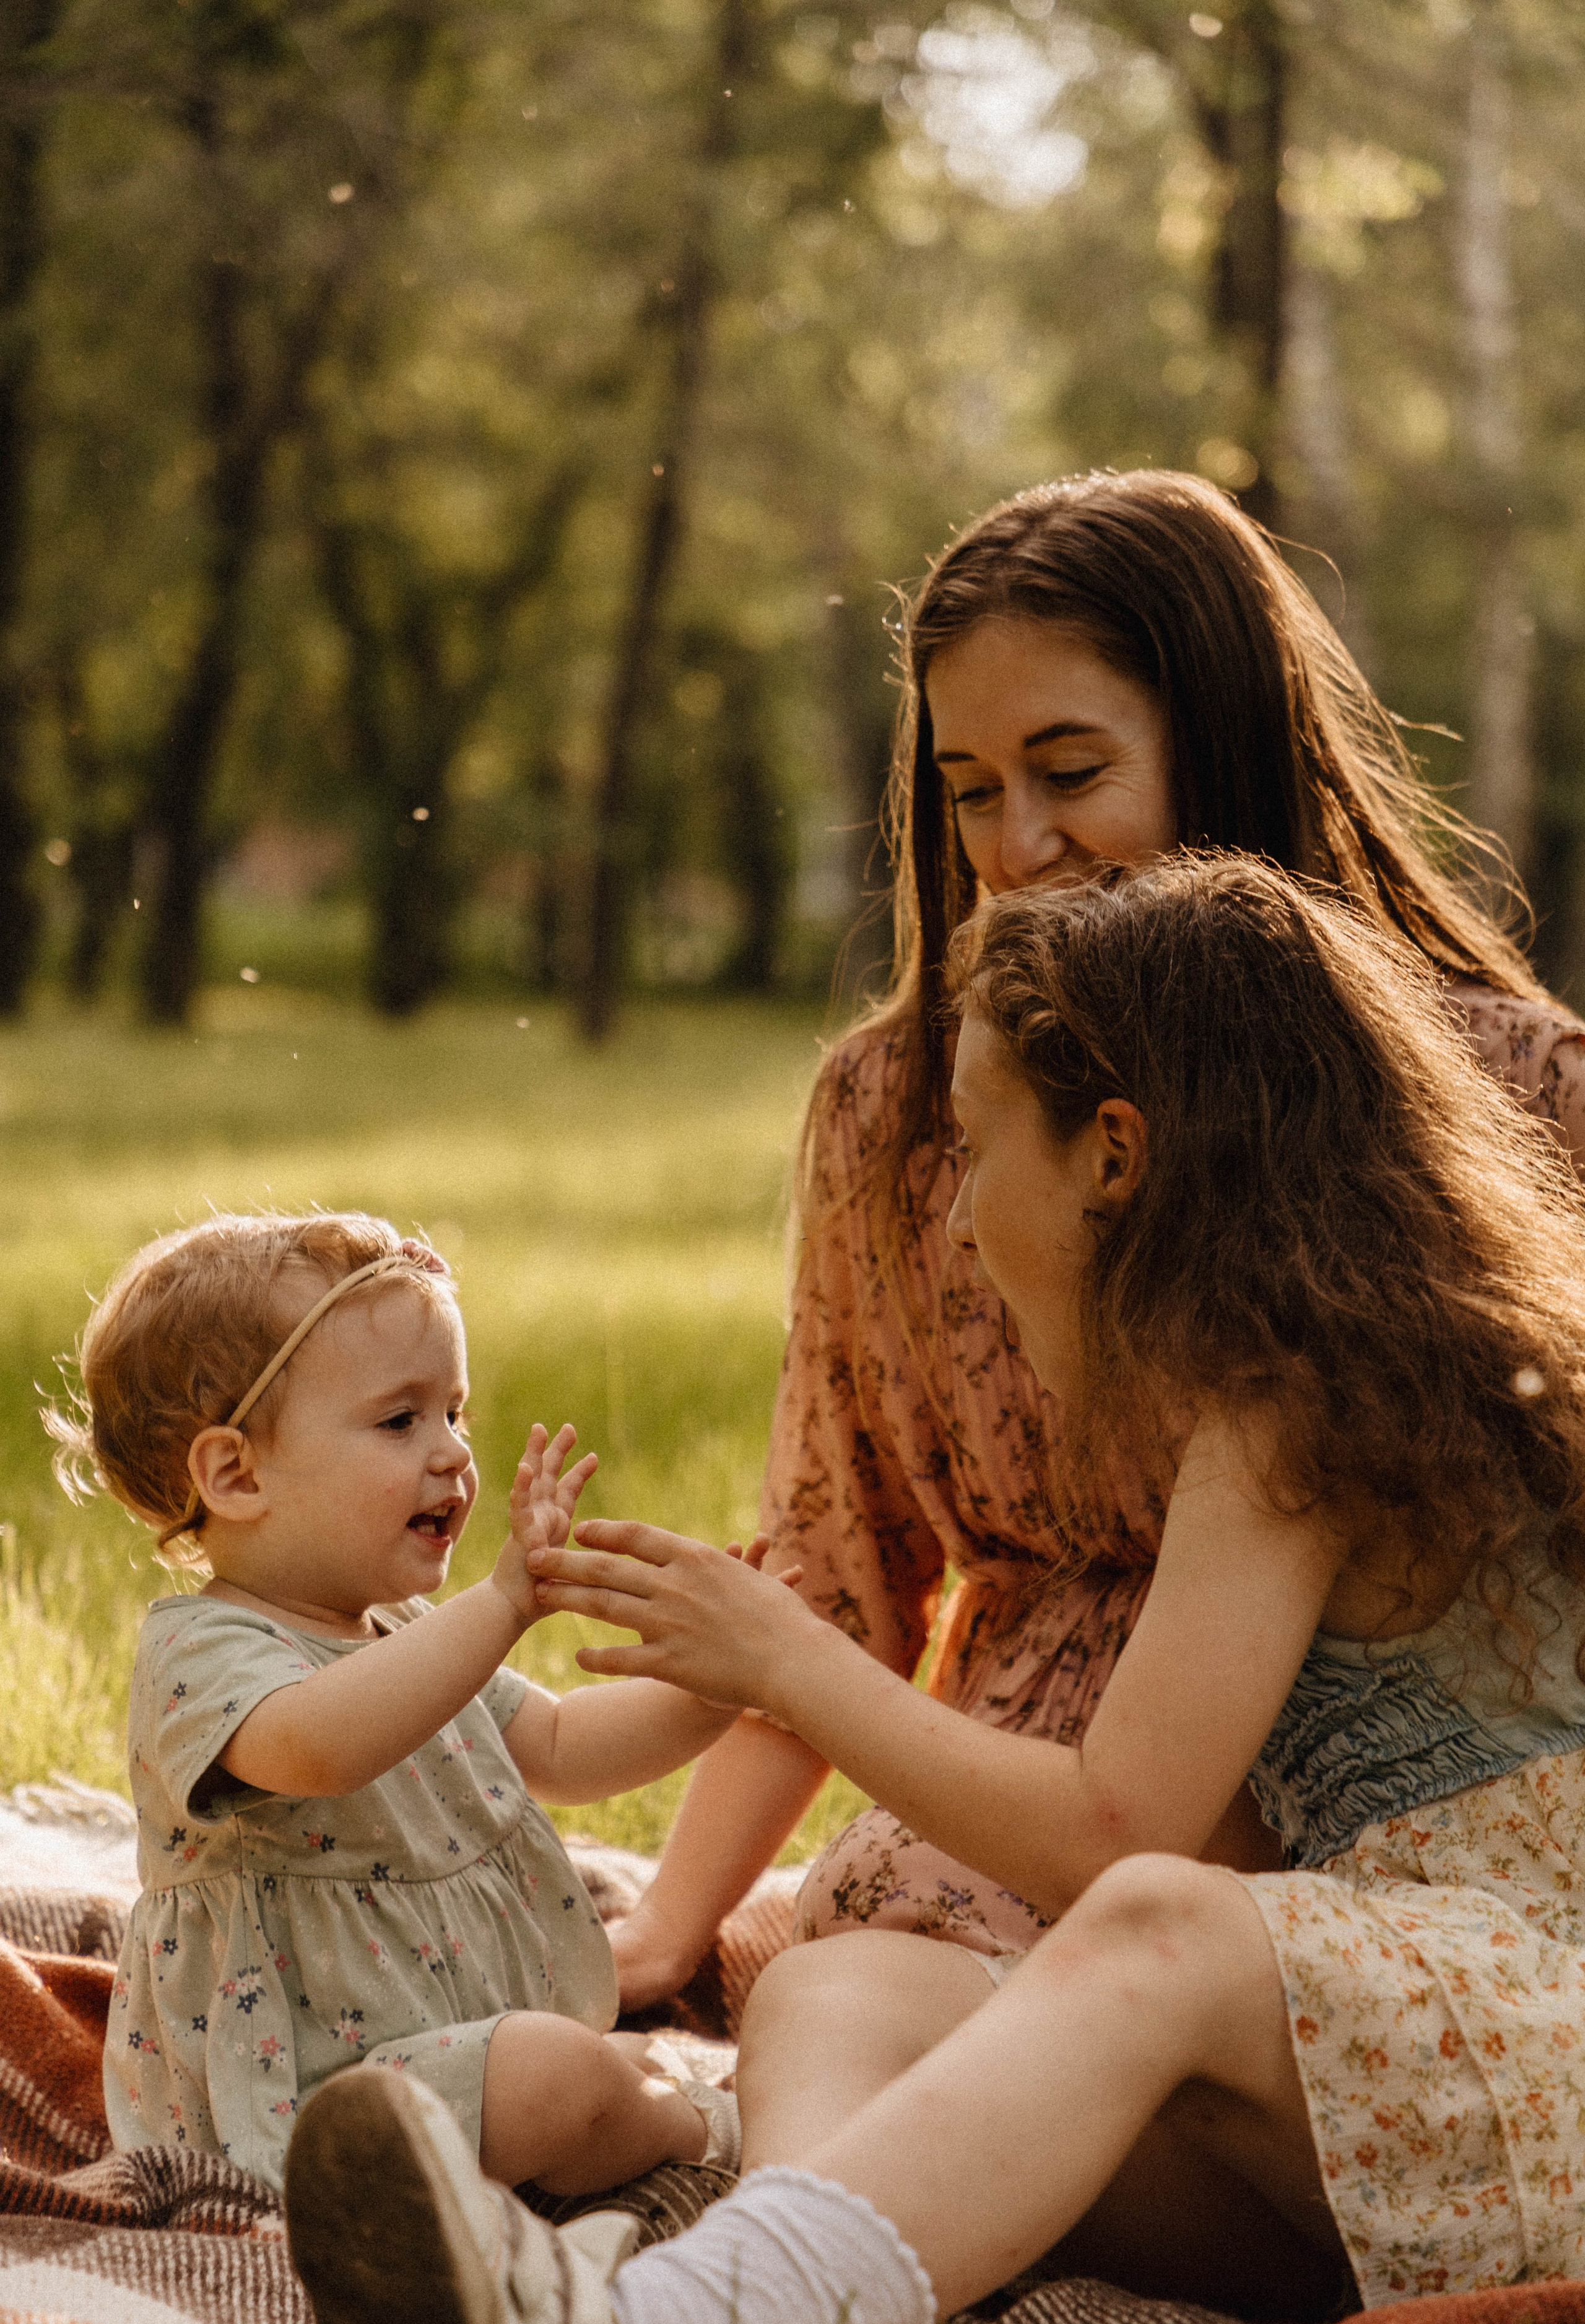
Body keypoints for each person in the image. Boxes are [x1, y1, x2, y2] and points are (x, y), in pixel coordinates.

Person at [287, 854, 1585, 2324]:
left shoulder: (1291, 1413)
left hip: (1538, 2056)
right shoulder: (1268, 1413)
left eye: (974, 1149)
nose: (958, 1218)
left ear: (1114, 1153)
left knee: (1151, 1925)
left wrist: (787, 1660)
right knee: (839, 1982)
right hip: (1426, 2117)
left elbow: (1124, 1836)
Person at [611, 468, 1585, 2008]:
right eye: (972, 788)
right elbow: (835, 1575)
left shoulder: (1507, 1089)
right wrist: (671, 1923)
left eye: (1072, 771)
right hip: (1006, 1795)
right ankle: (768, 2227)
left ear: (1222, 745)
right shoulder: (901, 1109)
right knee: (863, 1949)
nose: (1020, 844)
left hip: (1404, 1831)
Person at [51, 1212, 751, 2195]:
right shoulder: (199, 1652)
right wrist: (502, 1604)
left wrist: (722, 1687)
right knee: (552, 2074)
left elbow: (560, 1744)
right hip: (299, 2102)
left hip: (432, 2052)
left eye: (455, 1413)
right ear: (236, 1473)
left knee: (556, 2066)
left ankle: (613, 2107)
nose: (454, 1454)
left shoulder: (402, 1636)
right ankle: (690, 2129)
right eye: (400, 1420)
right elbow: (318, 1748)